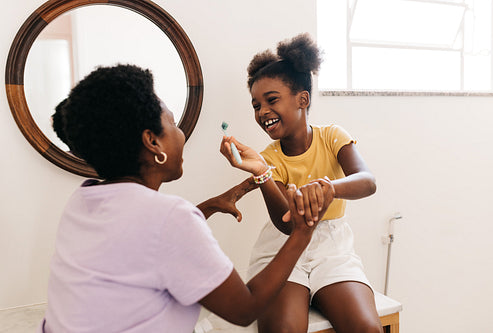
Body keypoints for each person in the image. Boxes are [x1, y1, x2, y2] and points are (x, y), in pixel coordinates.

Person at [38, 64, 335, 333]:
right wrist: (301, 231)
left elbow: (139, 239)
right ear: (153, 142)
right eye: (173, 124)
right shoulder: (170, 217)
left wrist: (206, 207)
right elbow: (245, 308)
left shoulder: (81, 202)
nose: (180, 135)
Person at [220, 33, 382, 333]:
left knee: (366, 327)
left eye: (271, 100)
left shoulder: (332, 136)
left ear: (302, 99)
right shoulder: (268, 158)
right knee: (284, 329)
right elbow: (287, 225)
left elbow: (367, 182)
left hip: (332, 248)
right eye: (256, 105)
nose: (262, 112)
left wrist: (329, 188)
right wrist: (262, 174)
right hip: (284, 249)